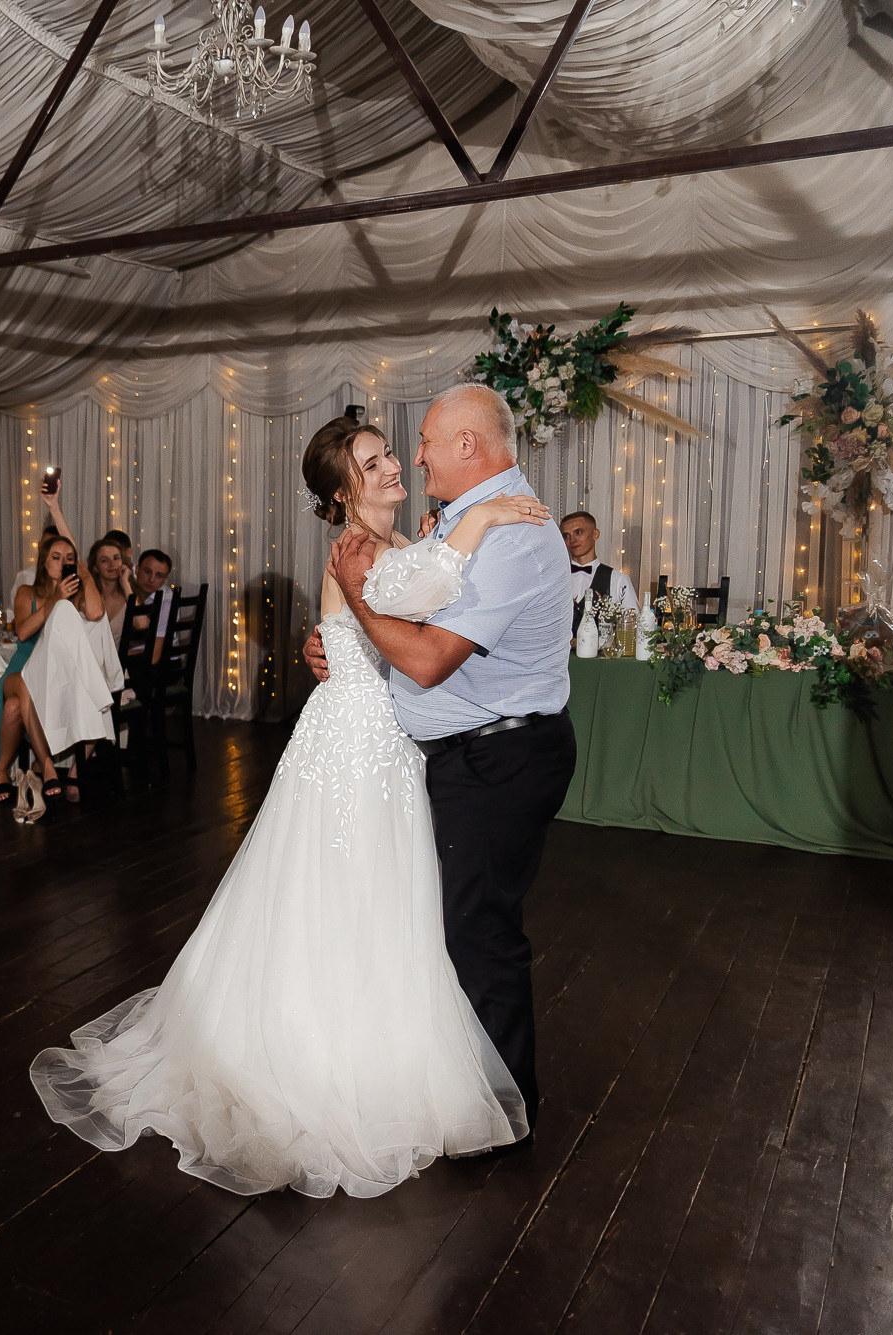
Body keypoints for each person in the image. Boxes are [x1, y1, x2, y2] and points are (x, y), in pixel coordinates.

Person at [31, 411, 553, 1197]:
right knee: (337, 897)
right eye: (374, 462)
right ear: (344, 489)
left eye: (388, 456)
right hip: (353, 744)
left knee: (387, 904)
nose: (390, 467)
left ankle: (385, 1046)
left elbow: (419, 597)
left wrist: (448, 529)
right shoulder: (359, 550)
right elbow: (433, 589)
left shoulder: (399, 541)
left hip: (390, 744)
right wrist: (478, 516)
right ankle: (323, 1059)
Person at [308, 383, 574, 1129]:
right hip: (384, 747)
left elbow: (422, 654)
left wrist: (356, 614)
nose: (406, 456)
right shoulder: (406, 537)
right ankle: (437, 1076)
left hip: (486, 754)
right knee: (405, 911)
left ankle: (498, 1109)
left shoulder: (482, 534)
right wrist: (333, 637)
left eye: (412, 444)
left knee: (470, 926)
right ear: (343, 489)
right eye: (382, 455)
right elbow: (391, 609)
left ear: (468, 446)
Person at [0, 488, 102, 810]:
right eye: (56, 557)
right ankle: (48, 766)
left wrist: (86, 575)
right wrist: (54, 601)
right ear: (44, 561)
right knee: (23, 685)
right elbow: (23, 632)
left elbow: (95, 614)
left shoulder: (76, 593)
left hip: (55, 673)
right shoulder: (27, 592)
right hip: (22, 668)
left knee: (13, 709)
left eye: (69, 558)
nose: (63, 562)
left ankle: (0, 772)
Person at [561, 510, 636, 634]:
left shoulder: (618, 580)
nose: (572, 540)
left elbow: (632, 628)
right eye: (566, 536)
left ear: (595, 534)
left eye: (578, 532)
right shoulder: (555, 579)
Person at [125, 549, 174, 671]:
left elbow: (154, 657)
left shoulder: (165, 601)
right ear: (137, 569)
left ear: (165, 578)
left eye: (159, 576)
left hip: (162, 667)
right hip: (137, 659)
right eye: (147, 572)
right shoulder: (129, 591)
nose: (151, 579)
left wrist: (115, 655)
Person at [88, 538, 133, 647]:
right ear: (95, 568)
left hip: (118, 663)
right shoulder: (88, 596)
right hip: (88, 661)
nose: (112, 564)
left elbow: (142, 624)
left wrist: (126, 584)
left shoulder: (128, 595)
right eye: (104, 560)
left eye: (116, 558)